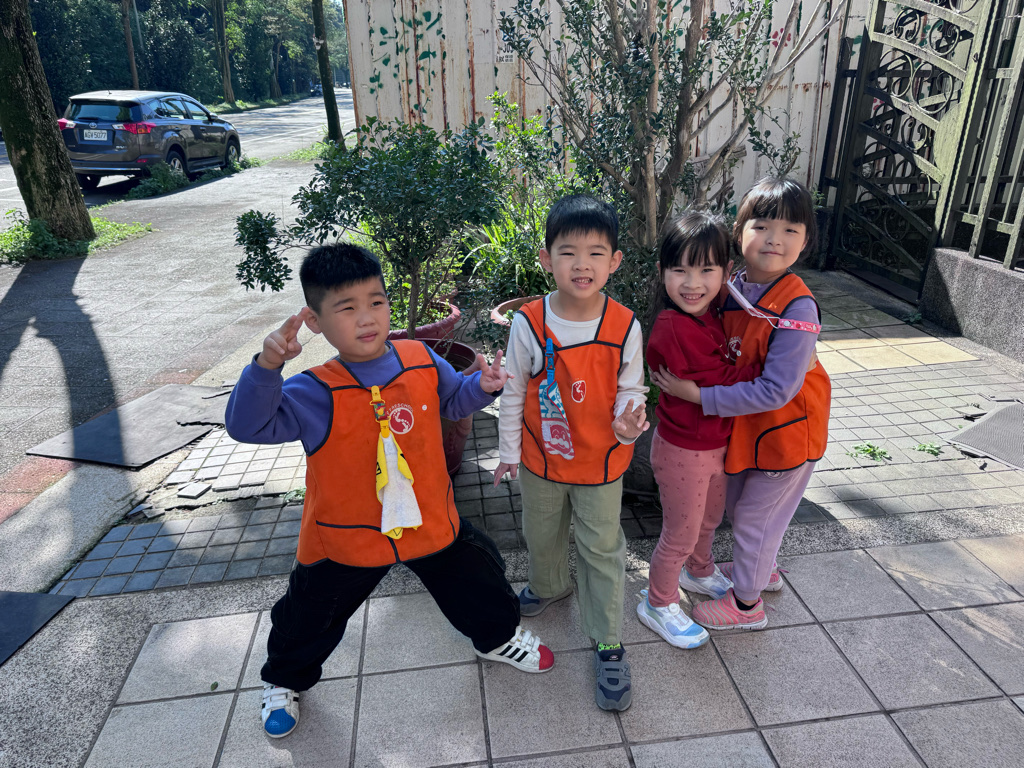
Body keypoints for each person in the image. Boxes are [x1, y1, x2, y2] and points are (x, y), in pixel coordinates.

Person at [225, 243, 554, 739]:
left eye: (376, 302)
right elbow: (248, 425)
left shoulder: (420, 358)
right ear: (315, 321)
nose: (366, 318)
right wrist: (266, 367)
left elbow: (453, 399)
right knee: (308, 614)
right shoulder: (313, 389)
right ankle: (284, 679)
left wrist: (482, 387)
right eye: (347, 307)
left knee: (479, 577)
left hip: (429, 521)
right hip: (346, 537)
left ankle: (496, 639)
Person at [494, 195, 648, 711]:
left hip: (601, 464)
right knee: (541, 533)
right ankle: (550, 585)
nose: (582, 265)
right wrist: (509, 451)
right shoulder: (529, 322)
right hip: (541, 461)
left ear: (614, 261)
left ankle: (607, 641)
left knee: (601, 549)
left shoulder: (625, 325)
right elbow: (513, 390)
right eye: (568, 252)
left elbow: (632, 389)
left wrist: (627, 425)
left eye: (595, 253)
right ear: (546, 258)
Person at [664, 177, 831, 630]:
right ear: (739, 234)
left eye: (791, 230)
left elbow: (777, 390)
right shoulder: (734, 286)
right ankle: (762, 569)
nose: (775, 239)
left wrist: (699, 396)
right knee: (745, 511)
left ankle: (746, 606)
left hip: (786, 435)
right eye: (762, 226)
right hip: (749, 429)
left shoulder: (797, 308)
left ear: (806, 241)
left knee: (755, 518)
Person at [642, 211, 762, 648]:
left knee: (710, 520)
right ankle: (658, 602)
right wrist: (765, 366)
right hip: (683, 451)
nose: (692, 284)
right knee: (680, 533)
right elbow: (719, 378)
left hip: (714, 446)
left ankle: (699, 570)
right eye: (680, 270)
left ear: (726, 272)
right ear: (663, 272)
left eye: (706, 270)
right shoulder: (673, 327)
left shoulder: (710, 313)